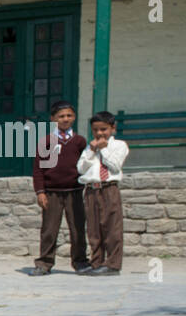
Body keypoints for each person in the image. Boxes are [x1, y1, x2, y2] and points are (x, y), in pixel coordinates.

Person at [30, 101, 90, 276]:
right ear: (53, 119)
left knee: (78, 228)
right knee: (49, 229)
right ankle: (44, 263)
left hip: (74, 191)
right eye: (61, 116)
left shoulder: (79, 141)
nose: (65, 119)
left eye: (69, 116)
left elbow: (85, 164)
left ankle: (80, 261)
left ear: (74, 117)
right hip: (52, 193)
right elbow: (38, 169)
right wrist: (40, 191)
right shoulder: (46, 141)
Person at [77, 110, 127, 276]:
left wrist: (103, 150)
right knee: (93, 228)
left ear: (113, 128)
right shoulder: (89, 147)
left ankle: (112, 264)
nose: (99, 133)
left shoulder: (119, 146)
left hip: (108, 188)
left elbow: (115, 166)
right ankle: (97, 262)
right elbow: (80, 168)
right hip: (92, 190)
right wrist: (91, 151)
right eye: (96, 130)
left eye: (103, 129)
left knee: (112, 227)